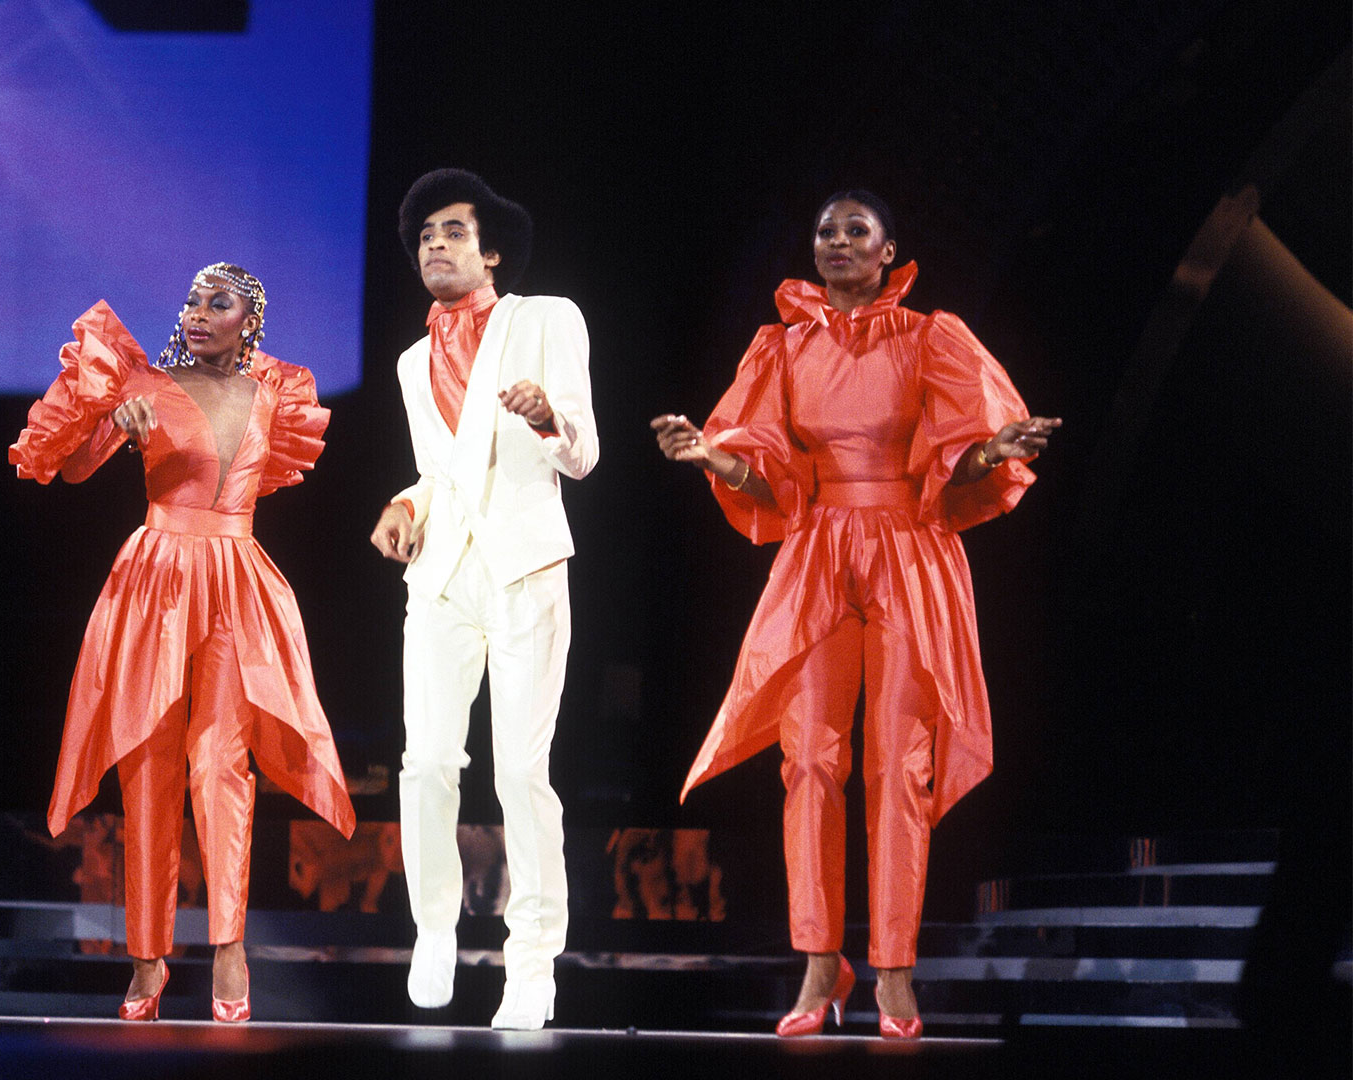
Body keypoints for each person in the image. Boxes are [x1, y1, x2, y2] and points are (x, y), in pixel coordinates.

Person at [653, 191, 1060, 1039]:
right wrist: (716, 458)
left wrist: (991, 448)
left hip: (909, 549)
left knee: (898, 767)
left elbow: (960, 457)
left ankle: (895, 972)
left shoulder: (929, 336)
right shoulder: (782, 346)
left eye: (856, 230)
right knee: (808, 758)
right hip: (818, 553)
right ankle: (818, 963)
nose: (837, 241)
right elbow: (770, 480)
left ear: (888, 251)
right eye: (825, 232)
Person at [10, 263, 355, 1023]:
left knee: (223, 764)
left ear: (248, 322)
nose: (197, 313)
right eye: (193, 301)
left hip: (236, 580)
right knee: (149, 764)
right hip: (157, 579)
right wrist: (112, 426)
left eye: (216, 303)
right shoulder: (146, 384)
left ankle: (229, 947)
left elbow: (267, 479)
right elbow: (70, 469)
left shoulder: (276, 395)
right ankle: (147, 958)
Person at [369, 169, 598, 1030]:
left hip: (524, 564)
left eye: (454, 232)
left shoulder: (547, 319)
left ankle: (531, 962)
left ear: (492, 250)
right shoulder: (411, 361)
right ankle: (435, 928)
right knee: (426, 762)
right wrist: (406, 505)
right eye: (425, 236)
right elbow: (441, 472)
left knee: (520, 772)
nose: (436, 245)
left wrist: (544, 417)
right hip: (442, 574)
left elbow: (583, 454)